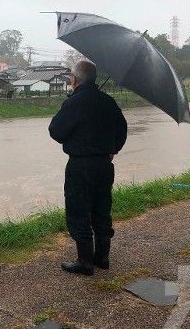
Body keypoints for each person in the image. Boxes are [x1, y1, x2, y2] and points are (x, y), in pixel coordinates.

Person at [48, 60, 127, 276]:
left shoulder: (75, 102)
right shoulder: (108, 101)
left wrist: (70, 104)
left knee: (78, 210)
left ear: (74, 79)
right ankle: (102, 258)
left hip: (80, 166)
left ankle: (85, 262)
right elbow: (123, 129)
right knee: (102, 209)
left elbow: (56, 131)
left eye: (70, 77)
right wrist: (113, 149)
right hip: (104, 165)